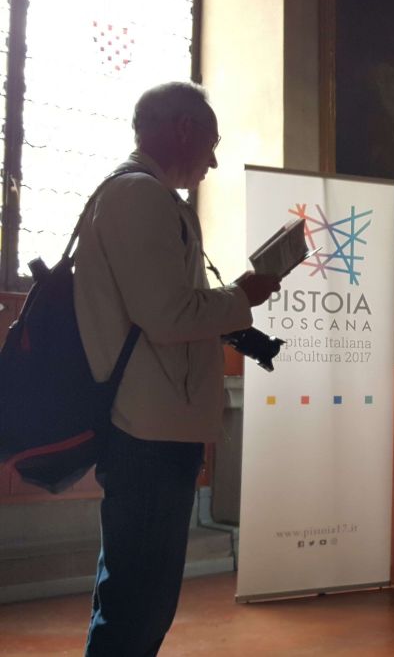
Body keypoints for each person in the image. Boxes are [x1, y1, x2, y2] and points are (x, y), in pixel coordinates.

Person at [74, 82, 281, 655]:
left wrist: (234, 308)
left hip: (156, 426)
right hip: (145, 432)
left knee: (140, 598)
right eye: (211, 143)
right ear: (183, 129)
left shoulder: (150, 198)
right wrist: (244, 294)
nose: (214, 159)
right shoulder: (138, 196)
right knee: (136, 605)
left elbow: (165, 311)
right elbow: (167, 316)